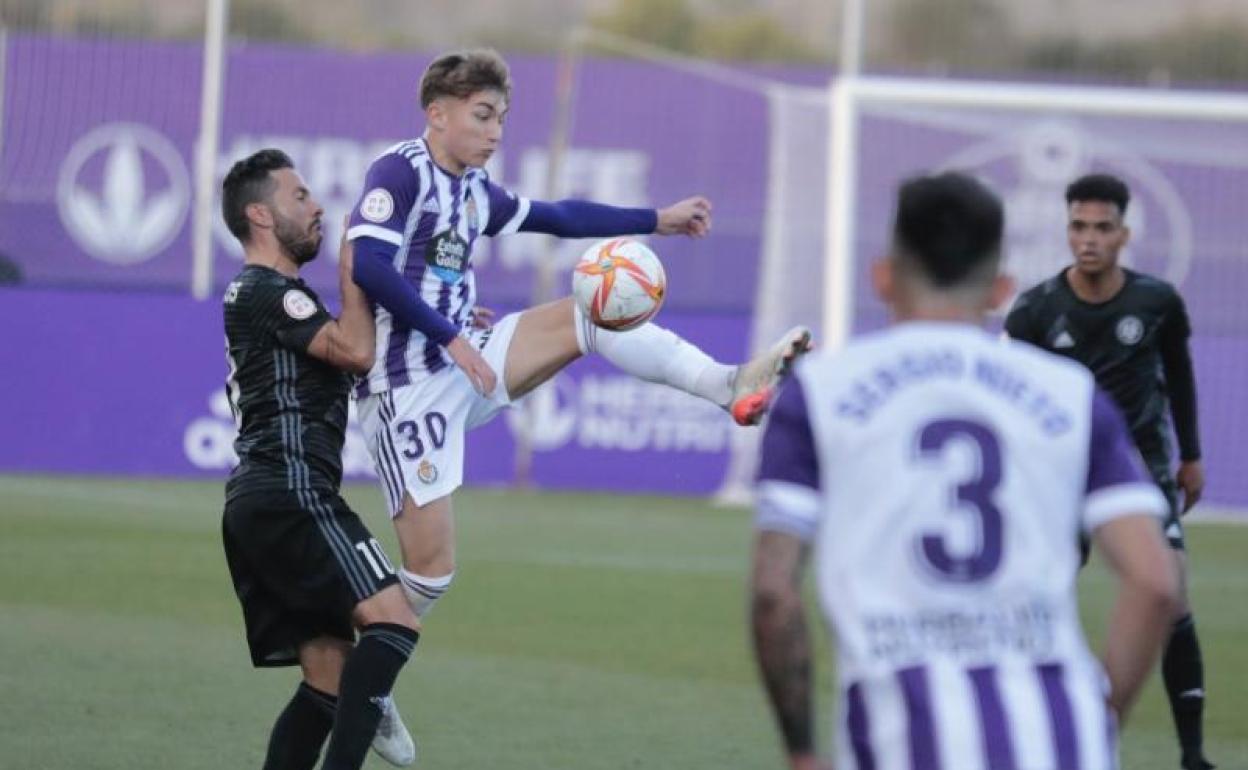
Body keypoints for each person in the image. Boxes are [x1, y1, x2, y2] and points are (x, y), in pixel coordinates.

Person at [345, 49, 812, 748]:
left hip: (462, 362)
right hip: (406, 389)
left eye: (502, 117)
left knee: (590, 314)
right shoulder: (399, 172)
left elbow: (559, 216)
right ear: (437, 113)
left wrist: (659, 219)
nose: (496, 130)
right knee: (431, 576)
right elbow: (369, 265)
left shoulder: (474, 190)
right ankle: (365, 678)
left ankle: (729, 385)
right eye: (482, 115)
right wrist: (449, 335)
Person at [750, 172, 1179, 769]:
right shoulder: (1071, 395)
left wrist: (801, 751)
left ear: (882, 277)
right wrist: (1096, 724)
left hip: (904, 740)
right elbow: (1156, 583)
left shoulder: (819, 393)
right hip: (1064, 737)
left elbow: (773, 592)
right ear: (1000, 289)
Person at [220, 148, 421, 770]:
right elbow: (356, 352)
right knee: (394, 623)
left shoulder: (273, 297)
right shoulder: (264, 290)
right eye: (300, 196)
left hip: (259, 504)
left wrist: (437, 324)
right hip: (293, 493)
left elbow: (356, 348)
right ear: (260, 214)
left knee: (327, 683)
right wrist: (354, 265)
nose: (316, 206)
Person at [1005, 173, 1212, 770]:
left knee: (1169, 590)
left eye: (1101, 227)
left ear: (1124, 233)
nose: (1088, 239)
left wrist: (1191, 456)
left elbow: (1181, 376)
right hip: (1060, 475)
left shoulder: (1157, 303)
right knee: (1038, 597)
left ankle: (1193, 753)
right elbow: (1013, 399)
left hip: (1138, 467)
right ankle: (1035, 733)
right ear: (1066, 231)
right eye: (1078, 226)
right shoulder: (1036, 311)